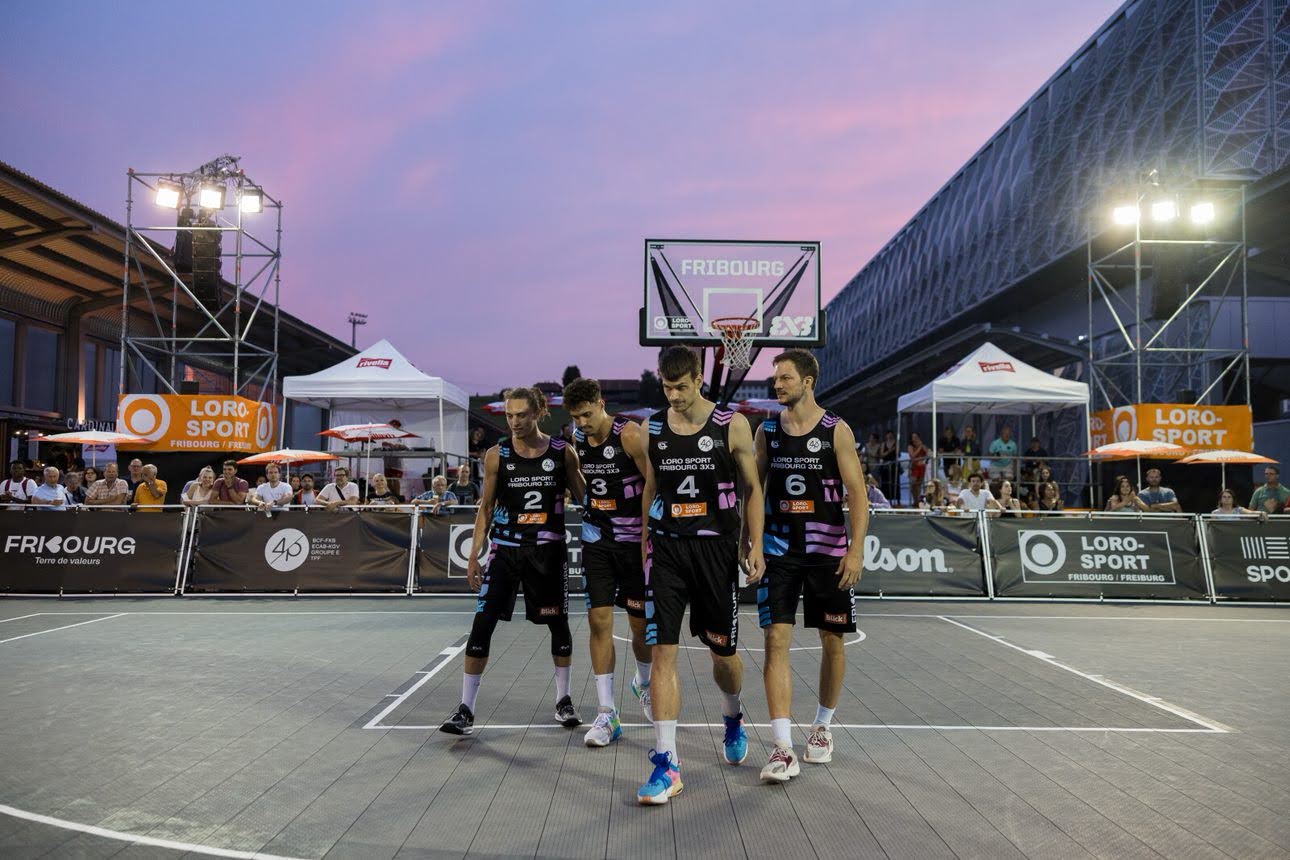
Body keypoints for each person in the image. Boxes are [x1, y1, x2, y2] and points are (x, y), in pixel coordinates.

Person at [636, 347, 764, 806]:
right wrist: (644, 545)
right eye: (667, 388)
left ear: (698, 380)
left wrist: (755, 544)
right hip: (668, 550)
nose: (673, 396)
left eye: (681, 387)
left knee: (723, 656)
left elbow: (753, 491)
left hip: (715, 550)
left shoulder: (732, 425)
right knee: (662, 652)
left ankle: (732, 714)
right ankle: (666, 764)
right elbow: (652, 486)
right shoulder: (653, 426)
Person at [440, 386, 586, 738]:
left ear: (538, 412)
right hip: (505, 550)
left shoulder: (562, 452)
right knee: (483, 623)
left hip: (547, 551)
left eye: (522, 414)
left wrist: (584, 459)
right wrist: (474, 555)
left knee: (558, 625)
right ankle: (466, 709)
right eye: (509, 415)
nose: (515, 421)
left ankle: (563, 700)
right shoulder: (497, 454)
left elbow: (584, 497)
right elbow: (485, 509)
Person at [755, 350, 868, 783]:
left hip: (827, 550)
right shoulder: (767, 431)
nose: (777, 384)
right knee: (774, 640)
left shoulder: (836, 430)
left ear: (807, 382)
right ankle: (783, 747)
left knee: (832, 640)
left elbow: (857, 494)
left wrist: (855, 550)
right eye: (775, 378)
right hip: (780, 549)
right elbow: (756, 491)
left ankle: (821, 726)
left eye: (785, 378)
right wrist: (752, 543)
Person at [562, 377, 653, 747]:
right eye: (575, 417)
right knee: (599, 621)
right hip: (597, 538)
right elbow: (582, 481)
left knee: (639, 624)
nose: (582, 423)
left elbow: (654, 485)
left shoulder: (630, 435)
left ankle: (644, 683)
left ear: (600, 403)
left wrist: (649, 537)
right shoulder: (577, 438)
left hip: (633, 543)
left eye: (586, 414)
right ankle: (607, 713)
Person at [879, 430, 898, 502]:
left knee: (894, 482)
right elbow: (882, 454)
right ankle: (885, 499)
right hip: (885, 465)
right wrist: (890, 450)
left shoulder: (896, 443)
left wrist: (895, 449)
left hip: (894, 465)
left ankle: (896, 499)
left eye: (891, 435)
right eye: (888, 435)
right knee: (886, 482)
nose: (889, 436)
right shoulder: (884, 444)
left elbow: (898, 454)